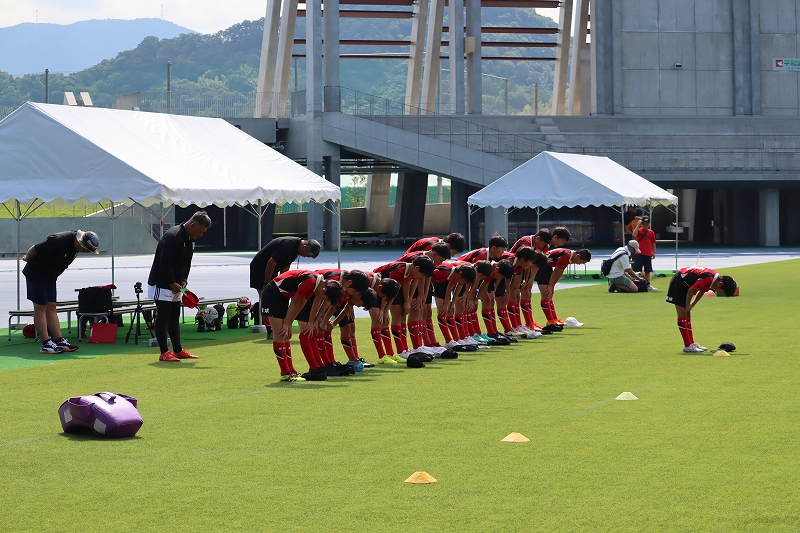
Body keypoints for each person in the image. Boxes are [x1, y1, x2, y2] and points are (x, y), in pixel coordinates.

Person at [22, 229, 100, 354]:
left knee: (52, 306)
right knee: (41, 307)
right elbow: (34, 249)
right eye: (86, 249)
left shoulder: (75, 248)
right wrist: (26, 258)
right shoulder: (59, 240)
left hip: (50, 277)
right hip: (36, 273)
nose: (86, 252)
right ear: (80, 242)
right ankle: (45, 343)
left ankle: (59, 340)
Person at [148, 210, 211, 362]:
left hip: (176, 284)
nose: (201, 235)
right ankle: (164, 352)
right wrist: (171, 283)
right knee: (163, 315)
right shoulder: (173, 236)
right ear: (192, 225)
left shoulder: (190, 239)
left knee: (174, 315)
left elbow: (187, 263)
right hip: (161, 283)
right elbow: (164, 263)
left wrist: (183, 280)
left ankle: (177, 350)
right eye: (200, 231)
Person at [262, 269, 344, 381]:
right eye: (324, 298)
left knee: (286, 335)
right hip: (272, 294)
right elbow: (296, 301)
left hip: (282, 297)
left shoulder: (316, 284)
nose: (320, 299)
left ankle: (291, 371)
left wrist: (289, 323)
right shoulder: (311, 281)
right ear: (324, 290)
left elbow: (302, 302)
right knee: (280, 334)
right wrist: (287, 323)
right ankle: (285, 373)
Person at [250, 237, 322, 338]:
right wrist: (266, 283)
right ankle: (271, 329)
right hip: (261, 269)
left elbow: (285, 266)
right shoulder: (287, 246)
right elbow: (271, 263)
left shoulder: (296, 250)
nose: (305, 257)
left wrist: (283, 283)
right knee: (268, 300)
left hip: (272, 270)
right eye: (306, 255)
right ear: (304, 247)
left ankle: (280, 325)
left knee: (277, 299)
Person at [666, 266, 737, 353]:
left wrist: (692, 305)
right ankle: (687, 345)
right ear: (720, 284)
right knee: (683, 313)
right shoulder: (708, 278)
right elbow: (691, 290)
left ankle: (691, 343)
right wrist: (688, 305)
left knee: (687, 314)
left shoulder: (713, 279)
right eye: (721, 291)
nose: (718, 292)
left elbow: (702, 291)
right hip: (679, 282)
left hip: (684, 284)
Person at [539, 247, 592, 327]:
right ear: (577, 256)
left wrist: (552, 285)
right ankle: (551, 321)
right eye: (581, 262)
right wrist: (550, 285)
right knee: (546, 294)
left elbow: (560, 271)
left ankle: (554, 319)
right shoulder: (566, 255)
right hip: (541, 267)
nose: (579, 264)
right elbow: (556, 270)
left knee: (550, 295)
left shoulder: (569, 257)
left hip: (547, 267)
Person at [631, 216, 658, 291]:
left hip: (648, 253)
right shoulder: (639, 231)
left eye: (647, 224)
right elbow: (634, 235)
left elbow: (653, 242)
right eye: (644, 224)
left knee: (647, 270)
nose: (646, 226)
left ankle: (648, 285)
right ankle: (637, 284)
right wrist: (637, 225)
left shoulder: (651, 232)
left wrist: (654, 252)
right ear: (642, 224)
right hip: (639, 253)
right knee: (637, 270)